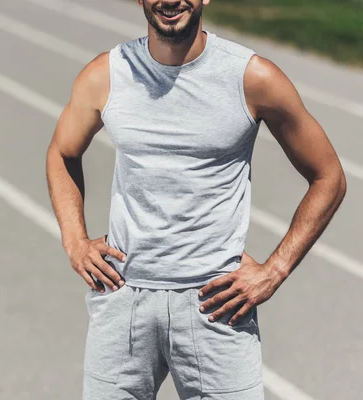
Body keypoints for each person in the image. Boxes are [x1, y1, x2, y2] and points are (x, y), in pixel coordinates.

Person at [45, 0, 347, 398]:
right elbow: (62, 153)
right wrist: (74, 241)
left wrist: (274, 270)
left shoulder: (252, 78)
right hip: (124, 300)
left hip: (217, 306)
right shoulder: (106, 73)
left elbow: (329, 177)